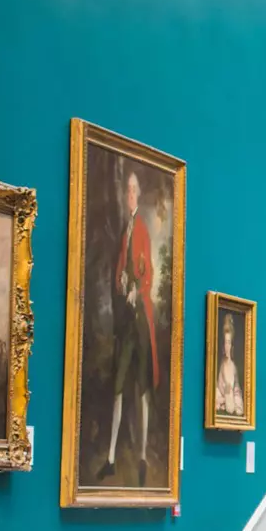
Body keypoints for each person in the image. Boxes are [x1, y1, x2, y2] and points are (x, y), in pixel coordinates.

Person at [103, 169, 158, 481]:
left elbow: (148, 270)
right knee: (119, 387)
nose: (131, 195)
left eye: (135, 190)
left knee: (142, 389)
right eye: (128, 191)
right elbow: (119, 274)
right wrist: (123, 282)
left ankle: (141, 456)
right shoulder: (124, 232)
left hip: (141, 320)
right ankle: (111, 456)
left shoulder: (142, 230)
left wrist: (140, 288)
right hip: (126, 321)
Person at [214, 314, 243, 416]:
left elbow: (237, 391)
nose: (227, 346)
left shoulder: (234, 367)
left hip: (232, 408)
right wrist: (222, 399)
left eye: (229, 343)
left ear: (232, 345)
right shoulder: (220, 366)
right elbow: (216, 388)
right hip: (222, 407)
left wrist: (235, 404)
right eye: (225, 343)